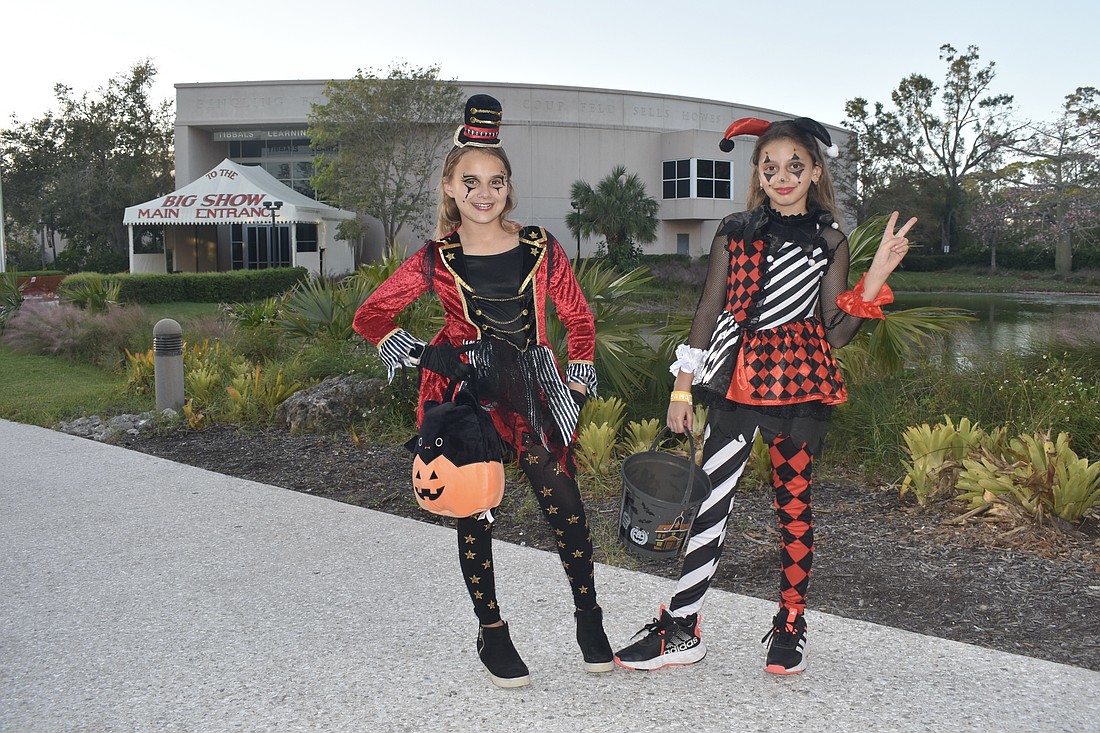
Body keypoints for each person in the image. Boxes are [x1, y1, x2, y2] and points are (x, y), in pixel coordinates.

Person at [614, 116, 915, 675]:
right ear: (757, 171)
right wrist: (683, 386)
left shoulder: (830, 239)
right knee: (710, 502)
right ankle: (681, 627)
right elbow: (708, 310)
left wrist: (873, 279)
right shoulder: (735, 230)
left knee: (794, 507)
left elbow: (835, 331)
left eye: (794, 166)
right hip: (734, 380)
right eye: (770, 166)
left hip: (801, 384)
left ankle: (791, 623)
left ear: (815, 172)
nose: (782, 176)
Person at [352, 94, 613, 688]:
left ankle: (588, 619)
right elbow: (371, 315)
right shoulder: (435, 259)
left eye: (495, 180)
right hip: (467, 397)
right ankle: (491, 631)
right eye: (470, 180)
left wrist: (576, 371)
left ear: (509, 187)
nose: (484, 192)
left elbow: (578, 317)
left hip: (531, 393)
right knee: (476, 510)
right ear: (449, 186)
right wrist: (420, 351)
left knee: (564, 503)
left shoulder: (541, 246)